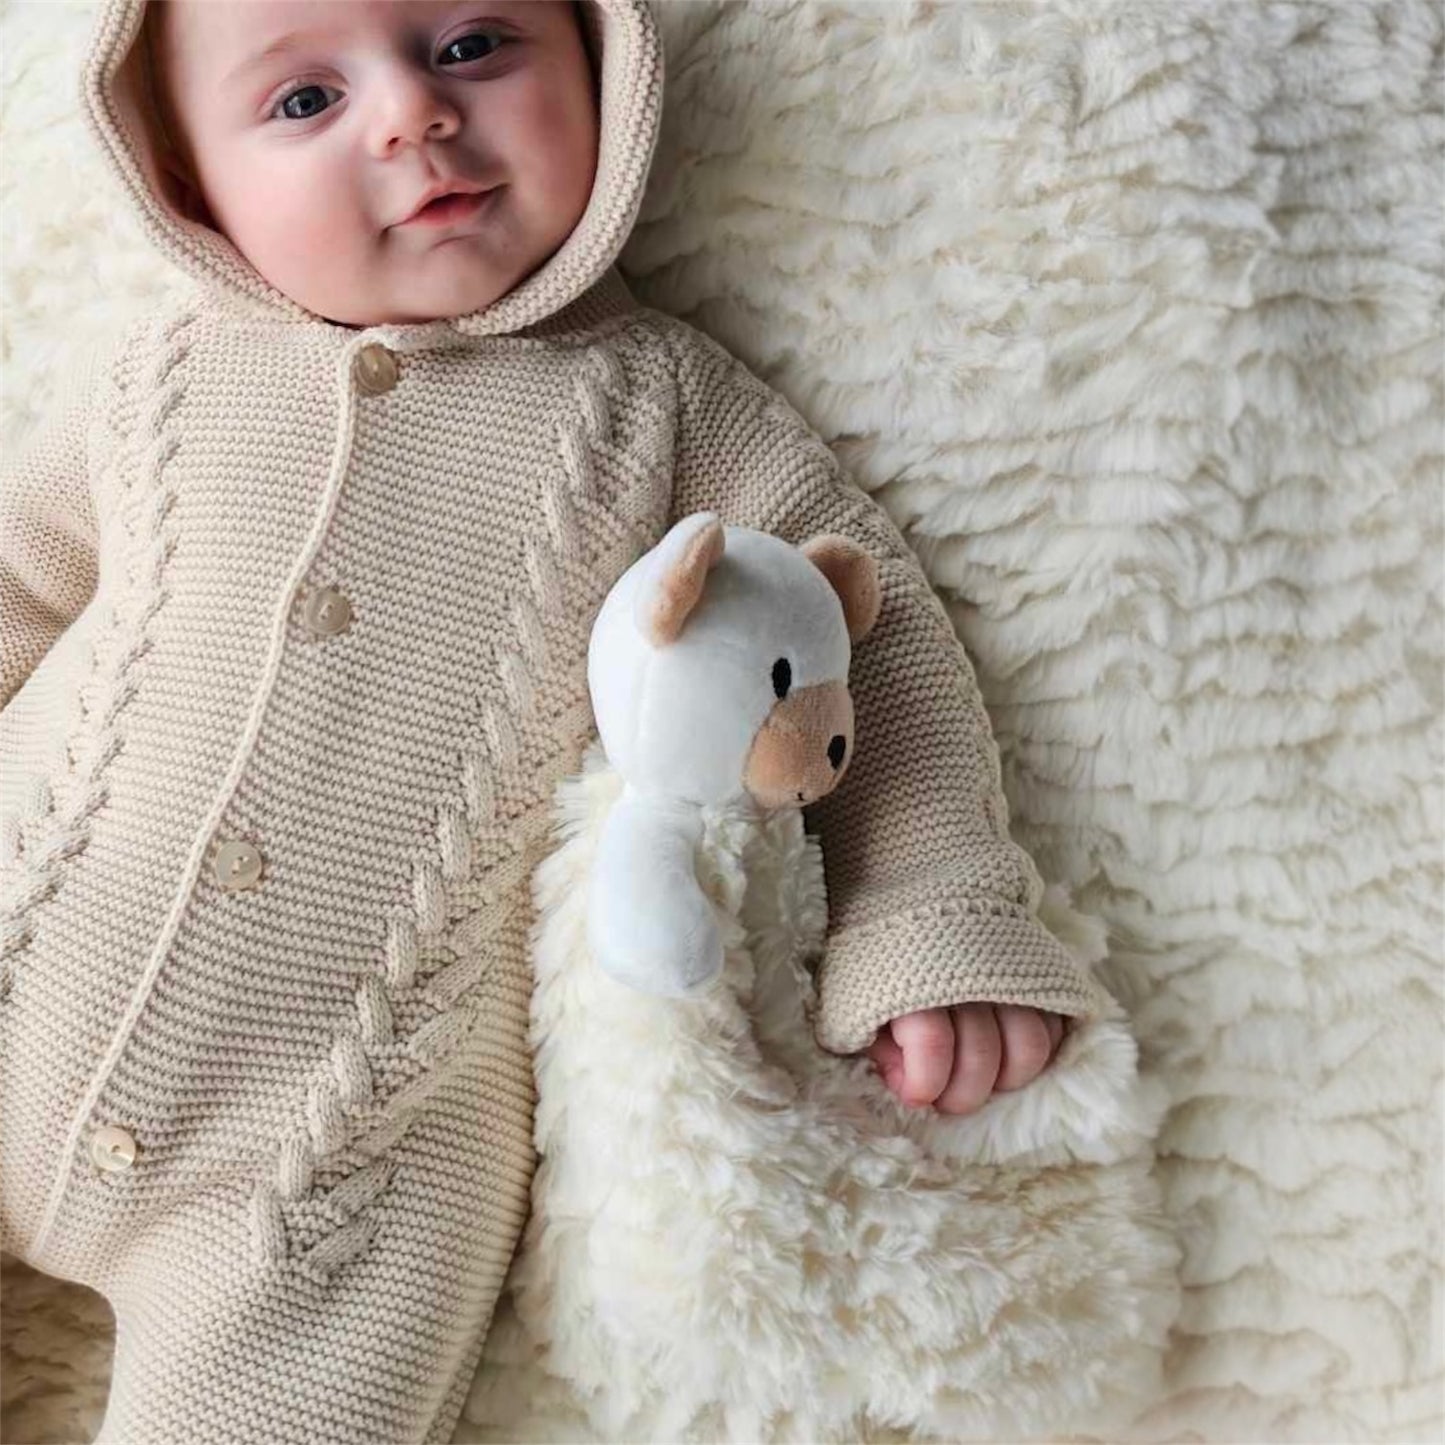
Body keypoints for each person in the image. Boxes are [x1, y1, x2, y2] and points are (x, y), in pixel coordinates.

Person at [0, 2, 1100, 1440]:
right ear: (189, 182)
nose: (410, 116)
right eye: (304, 101)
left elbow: (852, 644)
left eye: (471, 46)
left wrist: (928, 904)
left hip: (330, 1170)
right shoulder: (162, 381)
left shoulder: (664, 404)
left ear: (601, 59)